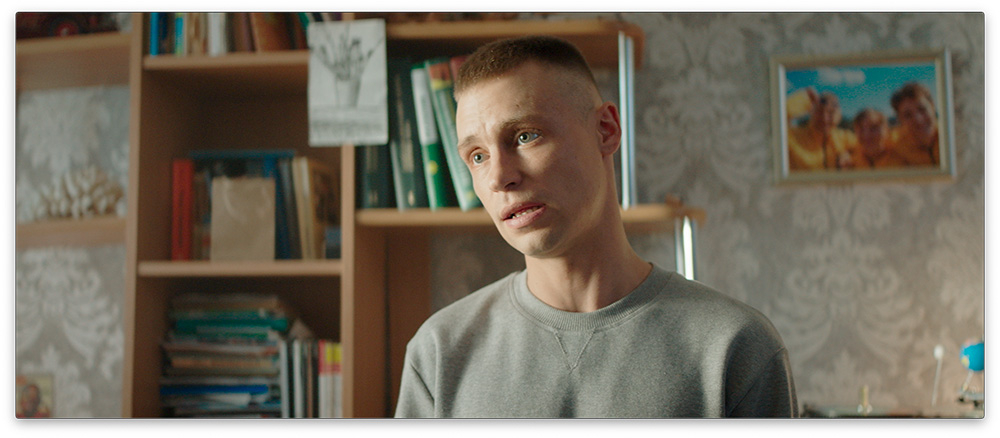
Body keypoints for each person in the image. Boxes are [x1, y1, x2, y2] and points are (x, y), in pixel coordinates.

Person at [394, 35, 797, 418]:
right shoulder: (440, 352)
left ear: (606, 130)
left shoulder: (736, 346)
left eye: (525, 136)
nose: (499, 177)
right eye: (477, 156)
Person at [786, 88, 856, 171]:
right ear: (811, 112)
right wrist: (803, 99)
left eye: (830, 112)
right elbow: (774, 121)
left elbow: (866, 151)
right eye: (819, 111)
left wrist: (852, 157)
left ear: (839, 116)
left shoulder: (846, 138)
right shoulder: (793, 136)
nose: (824, 118)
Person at [888, 82, 939, 166]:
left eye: (922, 109)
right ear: (900, 119)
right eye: (908, 115)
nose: (919, 120)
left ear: (932, 106)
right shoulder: (897, 149)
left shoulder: (954, 135)